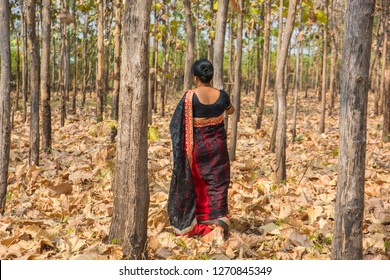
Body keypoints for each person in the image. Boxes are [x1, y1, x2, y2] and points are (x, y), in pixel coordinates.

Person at [168, 59, 235, 238]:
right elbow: (231, 111)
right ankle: (218, 222)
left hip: (198, 147)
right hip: (218, 147)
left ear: (196, 77)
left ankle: (200, 221)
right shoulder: (222, 95)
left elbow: (175, 124)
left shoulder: (189, 97)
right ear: (211, 76)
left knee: (199, 181)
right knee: (218, 182)